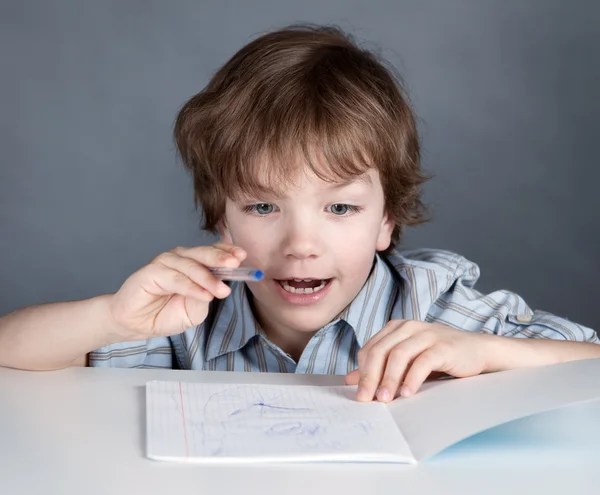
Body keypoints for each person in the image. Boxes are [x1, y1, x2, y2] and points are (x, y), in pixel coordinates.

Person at [1, 25, 598, 403]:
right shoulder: (186, 317)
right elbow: (10, 350)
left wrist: (490, 353)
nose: (301, 243)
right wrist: (113, 318)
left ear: (387, 220)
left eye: (340, 207)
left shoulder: (438, 308)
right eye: (263, 206)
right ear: (222, 221)